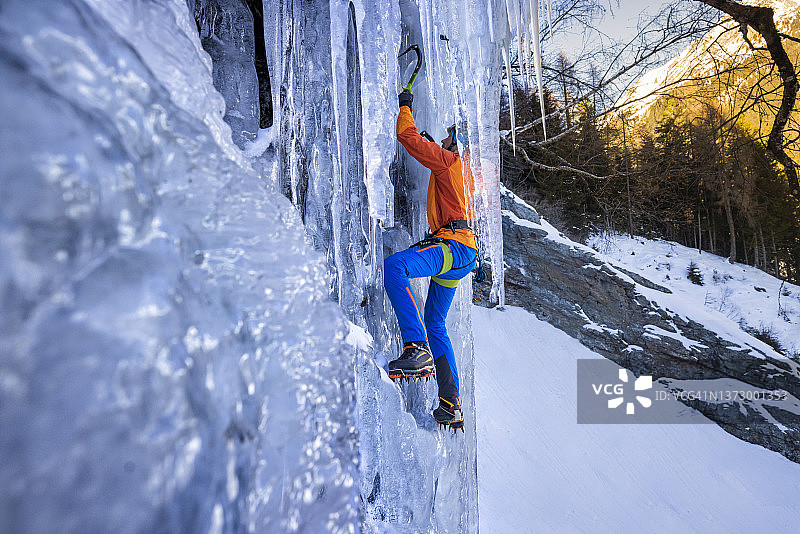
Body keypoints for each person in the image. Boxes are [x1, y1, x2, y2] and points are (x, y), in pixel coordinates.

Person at [384, 89, 477, 430]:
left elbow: (406, 137)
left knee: (396, 267)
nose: (443, 140)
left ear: (456, 146)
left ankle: (416, 346)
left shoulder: (450, 161)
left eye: (448, 139)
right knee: (436, 321)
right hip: (465, 254)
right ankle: (451, 404)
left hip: (452, 246)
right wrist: (436, 152)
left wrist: (405, 106)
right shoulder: (466, 174)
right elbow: (445, 181)